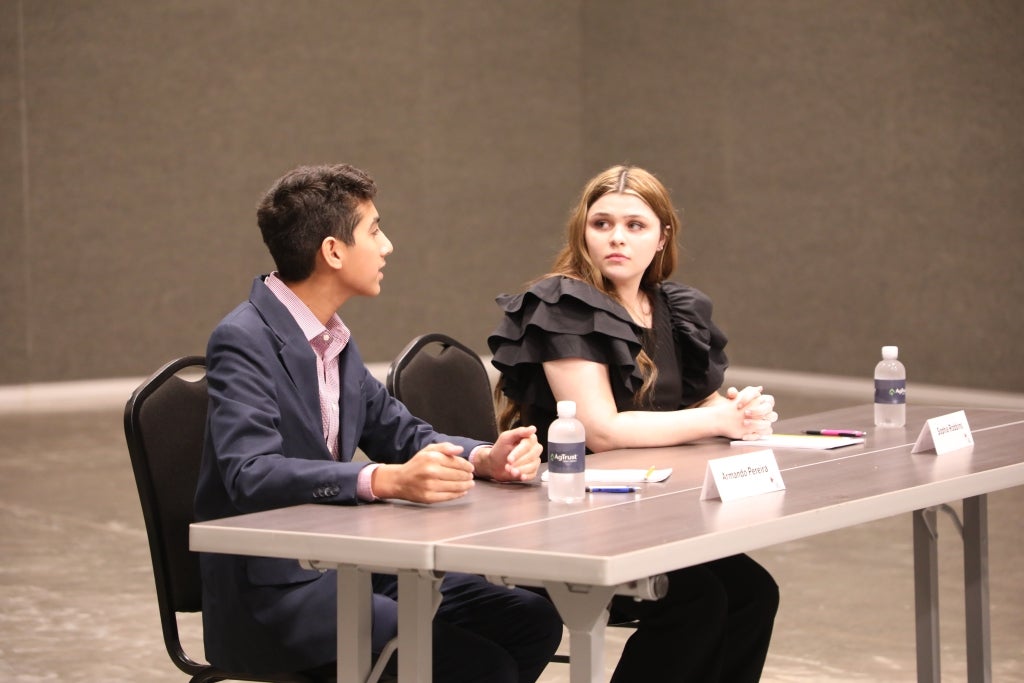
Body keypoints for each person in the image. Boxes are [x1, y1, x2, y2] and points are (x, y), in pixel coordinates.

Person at [194, 163, 563, 683]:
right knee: (480, 667)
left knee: (529, 619)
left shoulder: (331, 338)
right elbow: (249, 472)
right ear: (333, 251)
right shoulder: (243, 338)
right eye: (374, 229)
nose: (387, 246)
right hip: (274, 593)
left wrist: (484, 458)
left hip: (341, 566)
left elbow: (402, 433)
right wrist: (382, 479)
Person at [488, 164, 780, 682]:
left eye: (635, 226)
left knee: (754, 593)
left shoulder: (673, 307)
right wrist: (716, 418)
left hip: (655, 509)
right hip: (575, 513)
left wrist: (743, 412)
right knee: (700, 601)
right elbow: (600, 431)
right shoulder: (563, 305)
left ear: (662, 235)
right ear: (582, 231)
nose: (616, 238)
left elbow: (706, 404)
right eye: (601, 224)